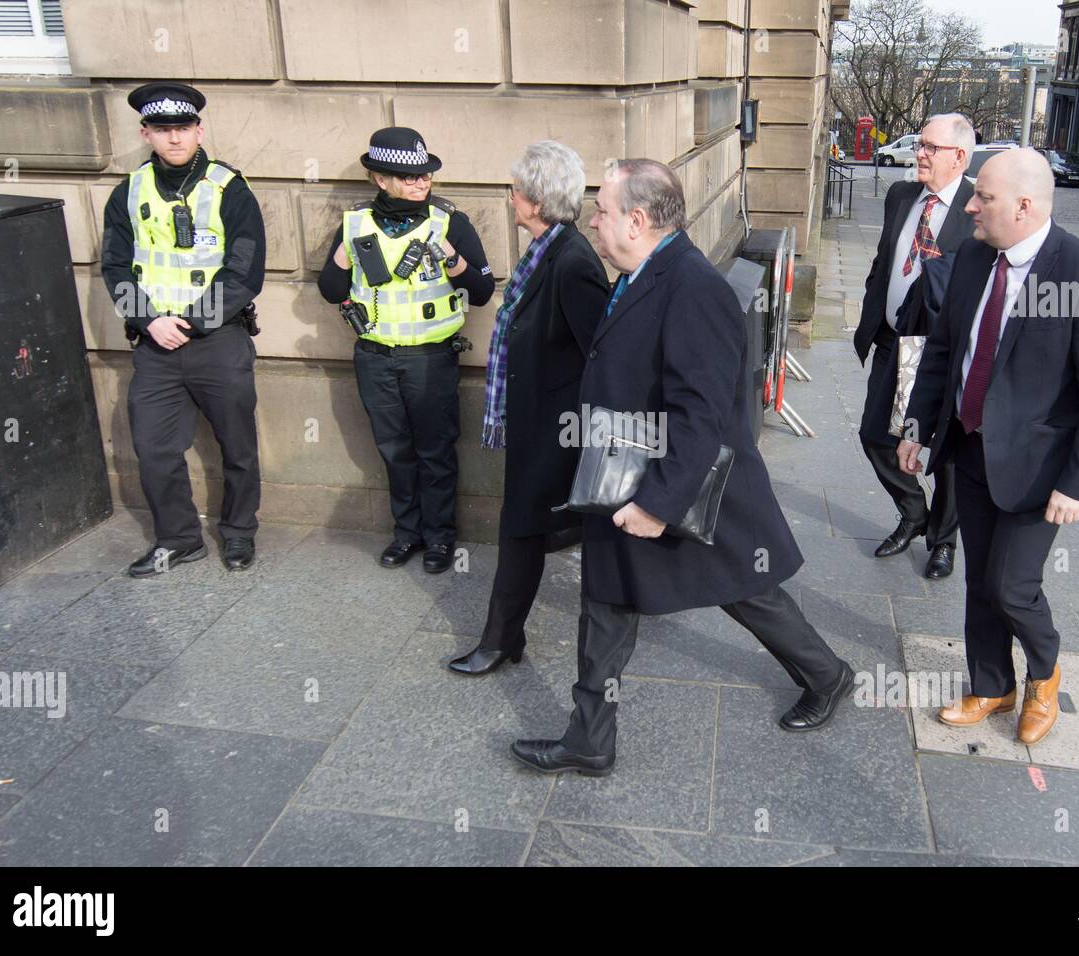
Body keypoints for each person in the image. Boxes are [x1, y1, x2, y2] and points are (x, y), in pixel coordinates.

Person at [510, 160, 854, 776]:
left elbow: (701, 413)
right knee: (606, 602)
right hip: (627, 474)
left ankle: (827, 675)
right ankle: (589, 738)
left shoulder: (693, 288)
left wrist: (657, 505)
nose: (593, 220)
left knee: (747, 591)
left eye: (603, 211)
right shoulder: (643, 271)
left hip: (681, 484)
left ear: (637, 221)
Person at [898, 149, 1079, 744]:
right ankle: (991, 684)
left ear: (1025, 206)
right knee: (980, 578)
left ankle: (1044, 678)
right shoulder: (976, 258)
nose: (970, 206)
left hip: (1040, 467)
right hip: (970, 448)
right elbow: (946, 350)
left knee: (1013, 585)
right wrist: (917, 427)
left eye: (985, 198)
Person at [448, 141, 608, 675]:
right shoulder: (546, 250)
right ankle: (504, 637)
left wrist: (575, 431)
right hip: (534, 421)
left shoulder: (573, 261)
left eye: (516, 190)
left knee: (522, 527)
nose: (510, 198)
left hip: (554, 429)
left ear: (536, 200)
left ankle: (499, 640)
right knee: (526, 527)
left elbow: (599, 357)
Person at [101, 82, 266, 577]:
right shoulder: (127, 192)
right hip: (156, 343)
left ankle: (238, 534)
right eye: (162, 130)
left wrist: (191, 323)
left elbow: (245, 269)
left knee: (237, 446)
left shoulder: (228, 188)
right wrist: (149, 320)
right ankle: (178, 539)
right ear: (145, 133)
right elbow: (114, 265)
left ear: (199, 130)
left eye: (183, 128)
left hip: (218, 339)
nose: (174, 139)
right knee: (153, 448)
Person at [317, 128, 494, 573]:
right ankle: (406, 534)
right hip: (375, 357)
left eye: (425, 174)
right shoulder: (355, 222)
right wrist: (343, 255)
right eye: (408, 176)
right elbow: (330, 288)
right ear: (379, 178)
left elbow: (483, 291)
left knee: (434, 452)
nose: (420, 182)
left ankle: (439, 539)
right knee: (394, 451)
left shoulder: (449, 221)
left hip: (430, 359)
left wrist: (454, 261)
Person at [856, 114, 977, 580]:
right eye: (921, 145)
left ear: (959, 157)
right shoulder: (901, 196)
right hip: (893, 340)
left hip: (943, 352)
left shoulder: (974, 208)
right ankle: (913, 511)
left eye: (931, 147)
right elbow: (885, 260)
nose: (921, 153)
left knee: (942, 452)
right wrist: (872, 309)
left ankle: (943, 542)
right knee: (875, 435)